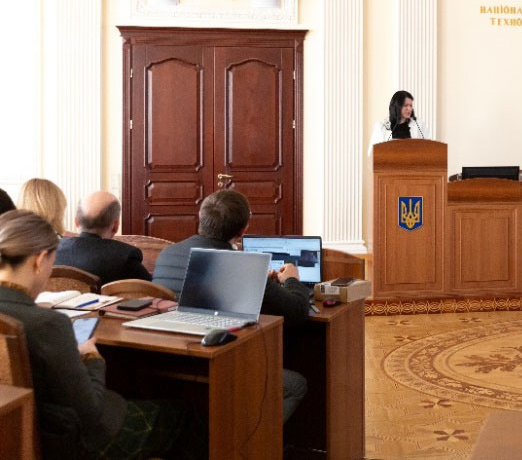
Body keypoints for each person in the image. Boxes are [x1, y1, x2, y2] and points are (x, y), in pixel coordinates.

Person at [0, 210, 205, 459]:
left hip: (14, 436)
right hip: (74, 442)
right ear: (39, 260)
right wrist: (92, 357)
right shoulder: (49, 325)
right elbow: (90, 414)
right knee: (185, 415)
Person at [152, 190, 309, 423]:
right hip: (219, 364)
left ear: (201, 218)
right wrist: (292, 280)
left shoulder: (167, 254)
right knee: (296, 385)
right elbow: (298, 311)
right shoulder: (243, 265)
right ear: (243, 230)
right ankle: (254, 441)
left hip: (167, 360)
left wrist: (262, 281)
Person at [54, 191, 150, 286]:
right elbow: (152, 290)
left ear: (76, 222)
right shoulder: (125, 258)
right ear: (115, 226)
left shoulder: (51, 251)